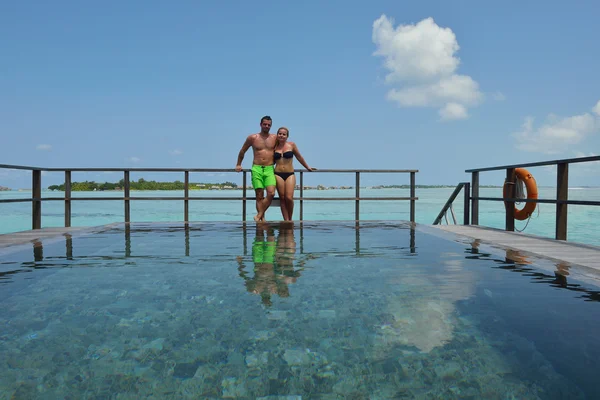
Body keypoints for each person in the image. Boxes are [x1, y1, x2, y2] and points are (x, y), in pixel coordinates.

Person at [235, 116, 277, 222]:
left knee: (271, 193)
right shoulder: (252, 138)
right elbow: (242, 151)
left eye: (269, 125)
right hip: (257, 168)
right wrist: (239, 164)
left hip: (269, 168)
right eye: (265, 124)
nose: (267, 126)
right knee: (259, 195)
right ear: (260, 124)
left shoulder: (274, 138)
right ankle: (262, 219)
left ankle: (259, 215)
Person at [273, 126, 315, 221]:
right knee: (282, 198)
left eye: (284, 134)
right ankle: (286, 220)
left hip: (289, 173)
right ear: (277, 135)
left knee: (289, 197)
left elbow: (299, 157)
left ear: (287, 136)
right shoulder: (274, 147)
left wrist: (307, 167)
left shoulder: (291, 145)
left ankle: (290, 218)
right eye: (280, 134)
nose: (282, 136)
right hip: (277, 174)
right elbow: (270, 160)